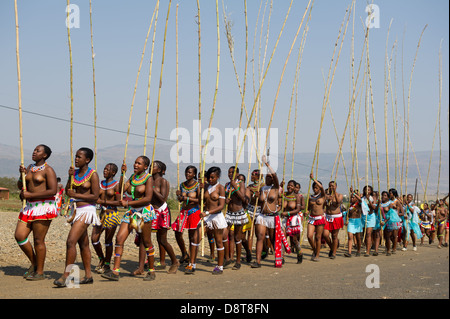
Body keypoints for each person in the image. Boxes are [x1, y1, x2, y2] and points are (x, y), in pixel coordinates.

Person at [101, 156, 156, 281]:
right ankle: (115, 272)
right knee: (119, 238)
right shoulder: (132, 177)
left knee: (146, 242)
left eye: (139, 163)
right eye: (135, 163)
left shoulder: (148, 178)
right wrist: (122, 174)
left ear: (145, 167)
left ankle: (152, 271)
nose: (135, 165)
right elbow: (121, 190)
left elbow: (148, 198)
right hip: (132, 212)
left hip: (143, 212)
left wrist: (128, 203)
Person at [54, 147, 100, 287]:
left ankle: (66, 275)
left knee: (70, 241)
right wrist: (69, 176)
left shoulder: (93, 174)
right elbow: (69, 190)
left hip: (87, 210)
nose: (76, 159)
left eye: (79, 157)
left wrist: (77, 195)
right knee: (83, 243)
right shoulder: (75, 173)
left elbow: (95, 196)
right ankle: (88, 275)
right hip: (76, 211)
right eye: (76, 156)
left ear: (87, 160)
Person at [15, 144, 58, 281]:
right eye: (34, 150)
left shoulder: (48, 170)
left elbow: (53, 191)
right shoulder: (29, 168)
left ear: (44, 155)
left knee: (38, 240)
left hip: (43, 207)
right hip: (29, 207)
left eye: (38, 151)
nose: (34, 152)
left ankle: (39, 272)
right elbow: (21, 186)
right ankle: (34, 263)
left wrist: (30, 195)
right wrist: (21, 174)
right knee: (19, 235)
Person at [252, 156, 288, 268]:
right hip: (262, 216)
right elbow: (256, 203)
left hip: (273, 217)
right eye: (266, 177)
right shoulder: (262, 189)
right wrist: (255, 197)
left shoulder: (276, 188)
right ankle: (257, 261)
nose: (268, 178)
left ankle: (280, 257)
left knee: (273, 239)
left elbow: (275, 176)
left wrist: (266, 164)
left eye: (269, 177)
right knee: (260, 237)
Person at [148, 161, 179, 274]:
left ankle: (175, 261)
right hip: (151, 211)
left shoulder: (163, 181)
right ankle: (146, 264)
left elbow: (162, 199)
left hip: (162, 212)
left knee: (162, 240)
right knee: (146, 239)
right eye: (150, 166)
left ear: (160, 170)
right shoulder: (148, 179)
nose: (151, 168)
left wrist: (151, 189)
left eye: (154, 166)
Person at [91, 163, 122, 274]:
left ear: (113, 172)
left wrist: (103, 201)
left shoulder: (117, 185)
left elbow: (119, 202)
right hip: (101, 215)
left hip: (112, 215)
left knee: (108, 241)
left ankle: (107, 264)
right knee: (94, 239)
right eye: (104, 169)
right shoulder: (100, 184)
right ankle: (101, 259)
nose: (104, 171)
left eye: (107, 170)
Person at [173, 165, 202, 274]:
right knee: (177, 232)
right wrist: (179, 196)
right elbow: (181, 201)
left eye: (190, 172)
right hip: (183, 211)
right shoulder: (182, 185)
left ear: (194, 174)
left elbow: (200, 199)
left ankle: (191, 258)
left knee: (192, 236)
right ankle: (184, 253)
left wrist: (186, 198)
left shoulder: (198, 185)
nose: (187, 174)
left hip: (194, 212)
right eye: (186, 172)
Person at [199, 166, 227, 274]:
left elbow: (221, 206)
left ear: (217, 177)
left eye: (212, 177)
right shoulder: (205, 187)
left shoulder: (220, 188)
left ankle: (220, 266)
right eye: (209, 178)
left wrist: (207, 213)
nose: (210, 180)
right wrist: (200, 190)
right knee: (196, 237)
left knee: (218, 241)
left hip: (216, 217)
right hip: (205, 216)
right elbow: (200, 201)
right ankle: (192, 263)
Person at [224, 166, 247, 270]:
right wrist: (226, 200)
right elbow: (224, 198)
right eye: (229, 172)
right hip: (229, 213)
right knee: (225, 234)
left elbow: (243, 198)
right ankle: (228, 258)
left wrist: (235, 187)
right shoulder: (227, 185)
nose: (230, 174)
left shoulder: (240, 183)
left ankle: (238, 261)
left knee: (238, 237)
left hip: (238, 213)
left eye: (232, 173)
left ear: (237, 174)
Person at [281, 180, 304, 263]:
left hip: (293, 220)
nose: (289, 187)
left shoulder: (297, 197)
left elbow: (298, 209)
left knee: (294, 240)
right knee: (283, 238)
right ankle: (281, 257)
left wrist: (287, 213)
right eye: (288, 185)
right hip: (285, 219)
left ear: (294, 187)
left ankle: (299, 253)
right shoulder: (284, 195)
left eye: (291, 186)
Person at [307, 173, 326, 262]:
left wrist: (313, 179)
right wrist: (307, 211)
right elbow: (308, 207)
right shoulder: (311, 197)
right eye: (314, 188)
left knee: (318, 237)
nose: (315, 189)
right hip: (311, 218)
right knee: (309, 236)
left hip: (320, 218)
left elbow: (322, 188)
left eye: (317, 188)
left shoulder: (322, 195)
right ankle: (315, 249)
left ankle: (317, 254)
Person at [323, 181, 343, 260]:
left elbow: (338, 202)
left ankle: (333, 253)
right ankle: (332, 247)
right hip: (328, 217)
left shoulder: (339, 195)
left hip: (336, 217)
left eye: (333, 186)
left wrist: (334, 194)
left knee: (334, 236)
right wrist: (327, 198)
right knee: (325, 234)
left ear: (336, 186)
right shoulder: (326, 195)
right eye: (330, 186)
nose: (331, 187)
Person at [381, 189, 402, 256]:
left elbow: (399, 211)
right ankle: (388, 248)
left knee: (393, 235)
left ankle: (393, 248)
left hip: (393, 219)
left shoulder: (396, 202)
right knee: (387, 236)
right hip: (385, 219)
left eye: (391, 193)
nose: (390, 194)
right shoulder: (384, 202)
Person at [344, 191, 362, 257]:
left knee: (358, 237)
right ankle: (349, 252)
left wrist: (353, 193)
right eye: (351, 197)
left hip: (357, 221)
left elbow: (360, 199)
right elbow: (348, 213)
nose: (352, 199)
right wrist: (347, 220)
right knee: (350, 236)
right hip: (351, 222)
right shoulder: (350, 205)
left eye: (353, 197)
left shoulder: (359, 204)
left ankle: (358, 250)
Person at [361, 185, 376, 257]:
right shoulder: (362, 198)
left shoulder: (373, 198)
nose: (367, 191)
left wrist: (369, 200)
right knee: (364, 234)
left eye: (369, 190)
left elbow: (374, 207)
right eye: (366, 190)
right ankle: (368, 245)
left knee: (368, 233)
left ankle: (368, 251)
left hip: (371, 217)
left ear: (371, 191)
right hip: (364, 217)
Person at [372, 191, 384, 256]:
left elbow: (380, 212)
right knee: (371, 234)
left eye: (375, 196)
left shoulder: (380, 204)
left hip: (378, 220)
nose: (374, 197)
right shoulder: (369, 202)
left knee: (377, 234)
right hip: (370, 220)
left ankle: (376, 250)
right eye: (373, 195)